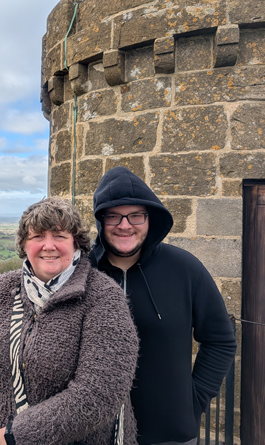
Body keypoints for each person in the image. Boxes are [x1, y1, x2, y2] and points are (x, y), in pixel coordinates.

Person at [0, 197, 139, 445]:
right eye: (38, 236)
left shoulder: (103, 297)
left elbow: (98, 393)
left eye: (59, 236)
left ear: (75, 243)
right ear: (24, 244)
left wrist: (11, 437)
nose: (48, 246)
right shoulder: (3, 288)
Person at [90, 167, 237, 445]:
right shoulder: (83, 272)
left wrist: (194, 400)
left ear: (150, 218)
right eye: (113, 216)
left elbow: (220, 340)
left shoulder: (185, 268)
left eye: (136, 215)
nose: (125, 225)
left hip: (169, 435)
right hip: (92, 433)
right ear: (101, 220)